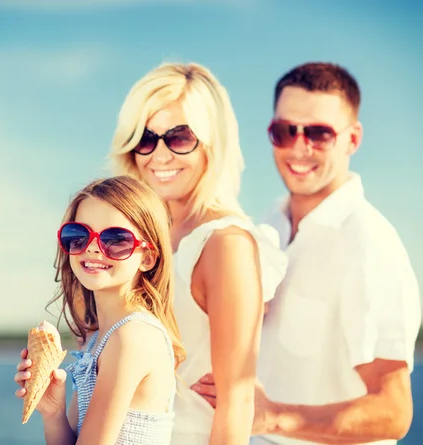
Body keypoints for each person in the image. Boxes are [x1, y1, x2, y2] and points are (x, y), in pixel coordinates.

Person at [192, 62, 422, 445]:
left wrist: (275, 418)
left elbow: (394, 411)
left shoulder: (369, 245)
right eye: (285, 131)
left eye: (319, 133)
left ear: (352, 139)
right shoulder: (269, 223)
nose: (300, 147)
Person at [109, 62, 288, 444]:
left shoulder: (226, 244)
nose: (159, 155)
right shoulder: (130, 237)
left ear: (212, 142)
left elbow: (237, 404)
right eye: (145, 137)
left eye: (179, 137)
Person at [14, 175, 186, 445]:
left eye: (116, 238)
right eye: (79, 235)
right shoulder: (99, 339)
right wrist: (53, 411)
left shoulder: (132, 337)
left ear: (148, 257)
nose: (93, 247)